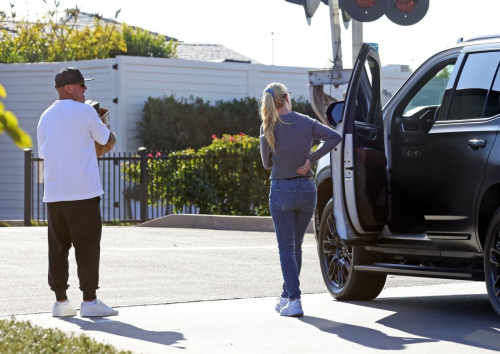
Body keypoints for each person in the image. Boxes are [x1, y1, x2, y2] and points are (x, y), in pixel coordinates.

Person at [37, 67, 118, 317]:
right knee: (88, 247)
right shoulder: (86, 111)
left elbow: (44, 155)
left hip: (54, 195)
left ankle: (61, 303)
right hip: (83, 193)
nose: (85, 90)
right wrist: (101, 122)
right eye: (82, 85)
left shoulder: (45, 116)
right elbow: (106, 140)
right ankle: (90, 303)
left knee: (58, 249)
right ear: (70, 88)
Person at [259, 82, 342, 317]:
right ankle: (286, 295)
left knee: (286, 247)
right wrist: (310, 159)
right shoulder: (306, 121)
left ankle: (294, 299)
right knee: (295, 246)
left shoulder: (268, 126)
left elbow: (267, 164)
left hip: (282, 190)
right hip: (307, 190)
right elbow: (334, 137)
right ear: (286, 97)